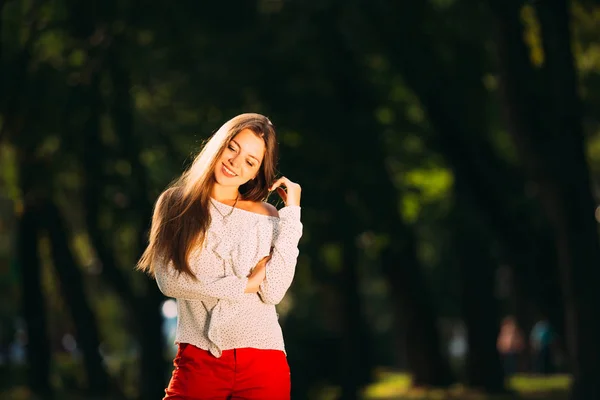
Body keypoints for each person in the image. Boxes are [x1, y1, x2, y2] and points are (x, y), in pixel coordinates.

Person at [136, 113, 303, 399]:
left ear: (256, 172)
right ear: (218, 144)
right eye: (233, 148)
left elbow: (274, 291)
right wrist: (246, 285)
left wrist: (292, 214)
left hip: (264, 358)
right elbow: (171, 282)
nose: (236, 163)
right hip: (199, 358)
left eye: (250, 161)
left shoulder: (268, 216)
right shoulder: (175, 204)